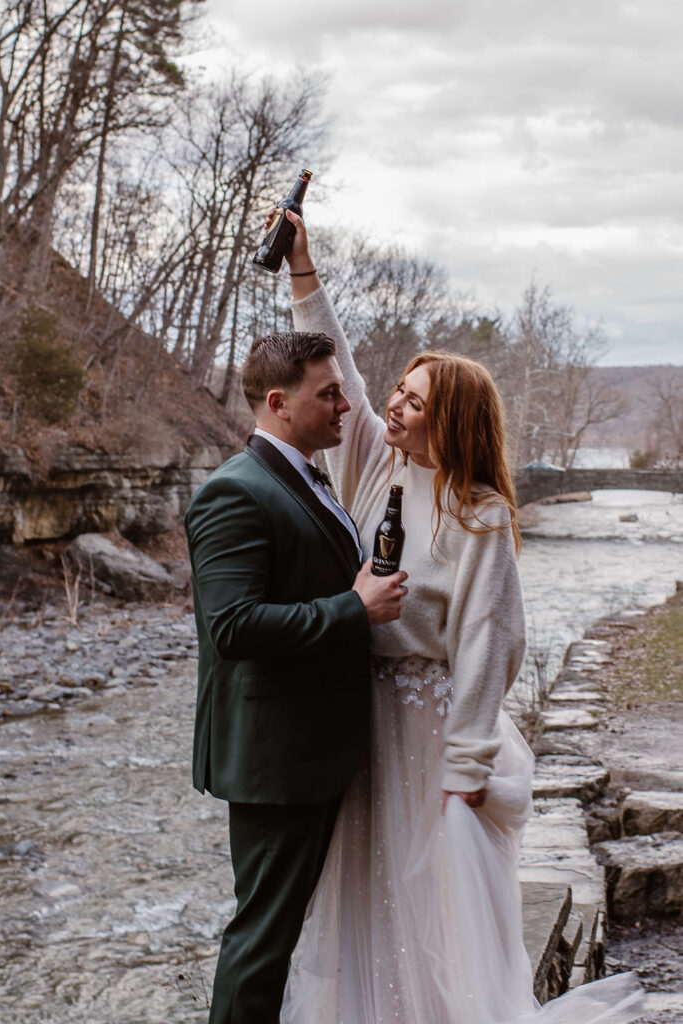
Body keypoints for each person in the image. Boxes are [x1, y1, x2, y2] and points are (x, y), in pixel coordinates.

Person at [274, 208, 642, 1024]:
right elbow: (340, 365)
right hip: (359, 720)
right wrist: (304, 268)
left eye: (414, 402)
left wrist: (466, 768)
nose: (394, 409)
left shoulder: (480, 517)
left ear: (452, 421)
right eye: (398, 395)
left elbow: (489, 645)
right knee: (362, 892)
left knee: (430, 901)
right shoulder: (373, 464)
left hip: (429, 730)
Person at [183, 328, 408, 1024]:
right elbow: (235, 627)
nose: (347, 404)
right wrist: (353, 608)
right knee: (262, 940)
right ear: (279, 403)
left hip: (314, 750)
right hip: (273, 757)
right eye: (330, 393)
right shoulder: (234, 492)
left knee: (282, 936)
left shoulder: (308, 474)